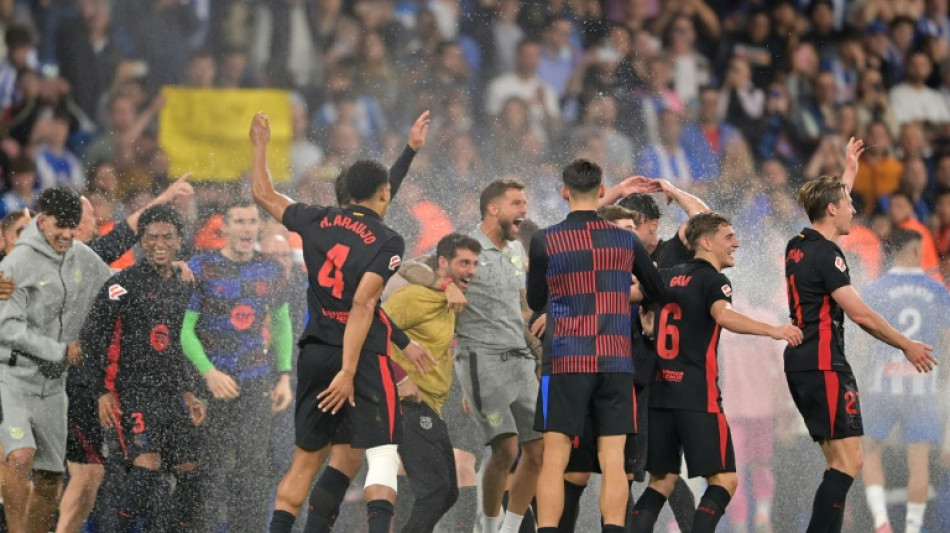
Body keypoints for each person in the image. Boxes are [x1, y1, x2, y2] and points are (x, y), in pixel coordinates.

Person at [248, 112, 428, 533]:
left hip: (315, 352)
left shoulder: (315, 217)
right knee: (381, 452)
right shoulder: (388, 240)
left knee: (317, 460)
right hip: (360, 358)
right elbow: (365, 305)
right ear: (383, 193)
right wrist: (349, 372)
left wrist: (260, 144)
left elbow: (263, 192)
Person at [783, 138, 936, 532]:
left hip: (802, 363)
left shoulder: (797, 244)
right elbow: (860, 315)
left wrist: (848, 172)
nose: (854, 208)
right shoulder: (829, 257)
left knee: (840, 462)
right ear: (833, 209)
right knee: (849, 462)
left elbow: (831, 218)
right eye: (848, 203)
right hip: (823, 363)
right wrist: (906, 344)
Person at [628, 212, 802, 533]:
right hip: (697, 395)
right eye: (728, 237)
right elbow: (723, 316)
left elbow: (626, 294)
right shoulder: (715, 280)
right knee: (724, 480)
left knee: (661, 481)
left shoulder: (664, 275)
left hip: (660, 394)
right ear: (706, 243)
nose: (736, 243)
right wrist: (773, 330)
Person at [526, 159, 668, 533]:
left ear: (564, 192)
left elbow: (537, 297)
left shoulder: (544, 239)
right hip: (615, 362)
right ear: (603, 192)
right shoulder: (626, 239)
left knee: (554, 459)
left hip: (561, 364)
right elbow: (658, 291)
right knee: (613, 458)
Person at [400, 178, 544, 533]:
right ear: (493, 209)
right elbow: (408, 267)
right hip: (481, 361)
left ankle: (507, 530)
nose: (524, 210)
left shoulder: (515, 251)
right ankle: (487, 526)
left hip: (520, 362)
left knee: (537, 452)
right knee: (505, 450)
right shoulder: (468, 247)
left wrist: (538, 351)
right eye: (516, 203)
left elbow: (516, 309)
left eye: (525, 203)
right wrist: (445, 284)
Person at [80, 205, 206, 531]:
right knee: (146, 468)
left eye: (167, 236)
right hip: (133, 391)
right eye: (151, 237)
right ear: (141, 241)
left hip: (172, 394)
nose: (159, 243)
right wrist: (102, 392)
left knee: (191, 472)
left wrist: (189, 392)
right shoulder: (121, 286)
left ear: (180, 241)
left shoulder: (183, 285)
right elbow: (92, 339)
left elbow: (179, 345)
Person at [180, 197, 294, 533]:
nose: (246, 228)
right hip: (211, 384)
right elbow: (185, 331)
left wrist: (284, 375)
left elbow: (282, 322)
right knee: (209, 470)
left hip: (255, 381)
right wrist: (208, 372)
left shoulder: (272, 270)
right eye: (239, 222)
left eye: (252, 221)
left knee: (254, 470)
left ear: (260, 226)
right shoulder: (201, 268)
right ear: (224, 227)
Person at [0, 187, 111, 533]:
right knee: (19, 458)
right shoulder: (16, 263)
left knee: (51, 477)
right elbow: (6, 327)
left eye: (72, 226)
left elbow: (115, 290)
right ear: (42, 220)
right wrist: (61, 351)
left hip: (55, 385)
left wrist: (147, 279)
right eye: (59, 225)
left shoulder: (81, 256)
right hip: (15, 377)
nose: (66, 234)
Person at [383, 232, 481, 532]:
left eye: (475, 264)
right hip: (408, 403)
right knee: (436, 490)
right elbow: (371, 330)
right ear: (442, 262)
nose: (471, 270)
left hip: (434, 404)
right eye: (463, 262)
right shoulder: (413, 297)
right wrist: (399, 380)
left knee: (448, 491)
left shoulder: (456, 300)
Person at [860, 228, 950, 533]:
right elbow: (947, 342)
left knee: (868, 451)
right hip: (923, 384)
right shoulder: (938, 290)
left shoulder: (875, 289)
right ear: (914, 251)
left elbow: (862, 341)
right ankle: (912, 529)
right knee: (919, 462)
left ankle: (881, 521)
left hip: (882, 383)